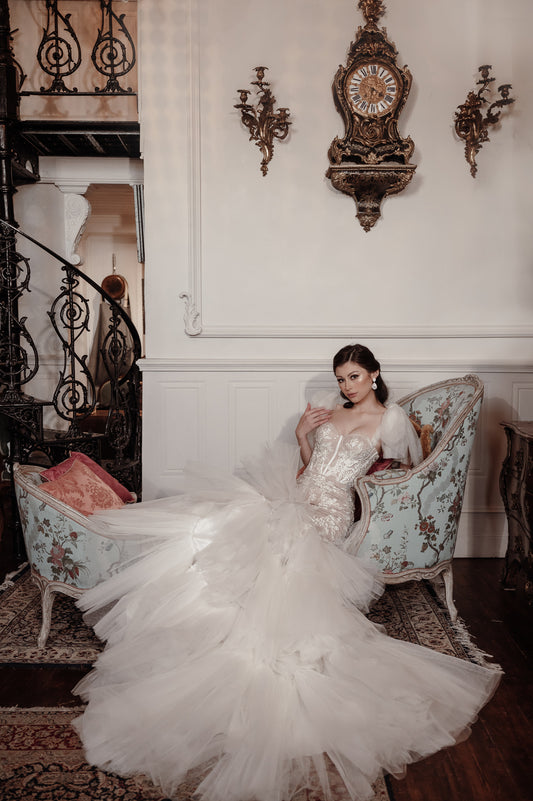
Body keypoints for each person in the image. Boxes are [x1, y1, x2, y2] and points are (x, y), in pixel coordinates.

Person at [73, 344, 501, 801]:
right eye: (340, 378)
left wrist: (375, 485)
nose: (345, 386)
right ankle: (192, 619)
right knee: (212, 525)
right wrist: (301, 436)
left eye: (354, 377)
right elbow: (308, 467)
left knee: (279, 548)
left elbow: (410, 476)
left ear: (375, 375)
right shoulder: (330, 414)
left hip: (332, 511)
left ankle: (255, 634)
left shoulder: (391, 420)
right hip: (296, 492)